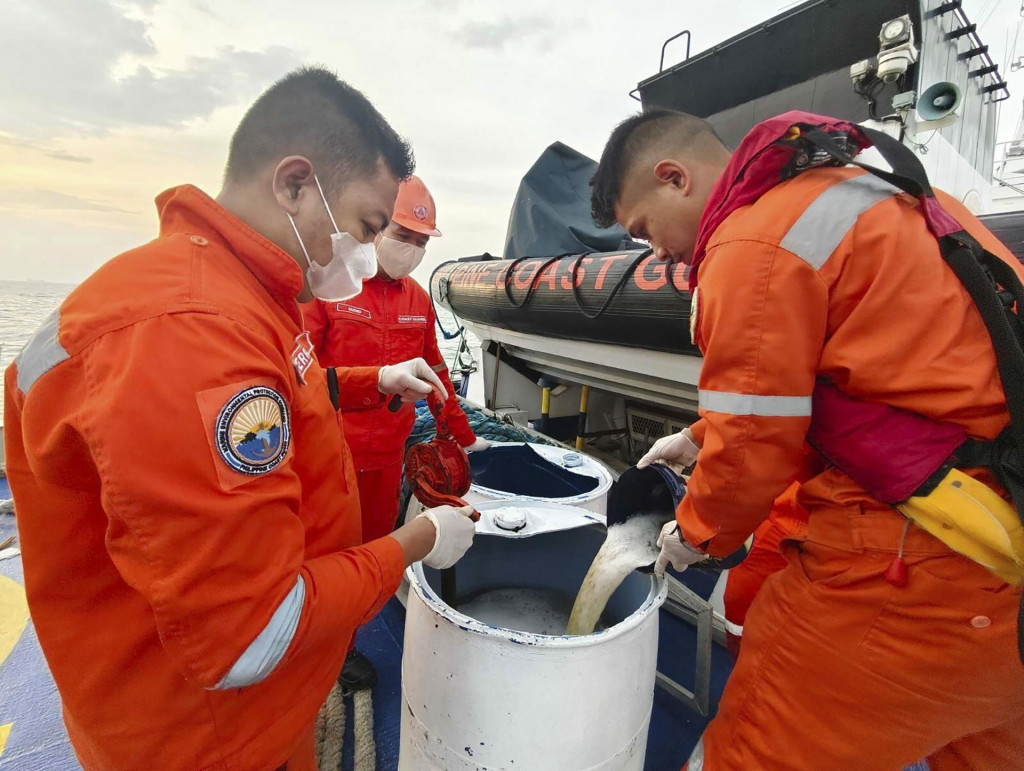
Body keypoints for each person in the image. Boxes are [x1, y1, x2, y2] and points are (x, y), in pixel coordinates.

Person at [3, 67, 477, 771]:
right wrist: (416, 539)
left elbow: (295, 405)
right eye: (366, 226)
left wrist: (378, 381)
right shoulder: (192, 335)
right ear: (293, 184)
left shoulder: (243, 299)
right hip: (205, 737)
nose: (367, 250)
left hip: (265, 708)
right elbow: (251, 634)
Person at [592, 109, 1024, 769]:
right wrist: (699, 436)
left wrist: (695, 533)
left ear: (673, 178)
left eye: (644, 230)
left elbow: (751, 453)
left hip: (907, 570)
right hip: (1002, 563)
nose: (655, 254)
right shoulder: (900, 196)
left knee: (753, 750)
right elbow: (905, 385)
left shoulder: (752, 244)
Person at [302, 175, 488, 691]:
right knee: (325, 560)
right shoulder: (330, 289)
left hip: (386, 458)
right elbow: (299, 377)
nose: (413, 249)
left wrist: (465, 437)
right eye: (404, 236)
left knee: (374, 550)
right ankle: (329, 656)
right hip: (327, 457)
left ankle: (347, 640)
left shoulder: (418, 301)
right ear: (378, 228)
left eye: (422, 242)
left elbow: (436, 371)